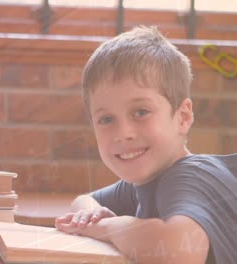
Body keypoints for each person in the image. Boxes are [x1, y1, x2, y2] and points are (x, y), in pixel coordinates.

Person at [55, 26, 237, 264]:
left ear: (182, 117)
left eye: (141, 112)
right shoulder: (145, 182)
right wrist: (90, 214)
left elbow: (179, 252)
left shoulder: (190, 175)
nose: (123, 133)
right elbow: (85, 199)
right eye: (106, 119)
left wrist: (107, 227)